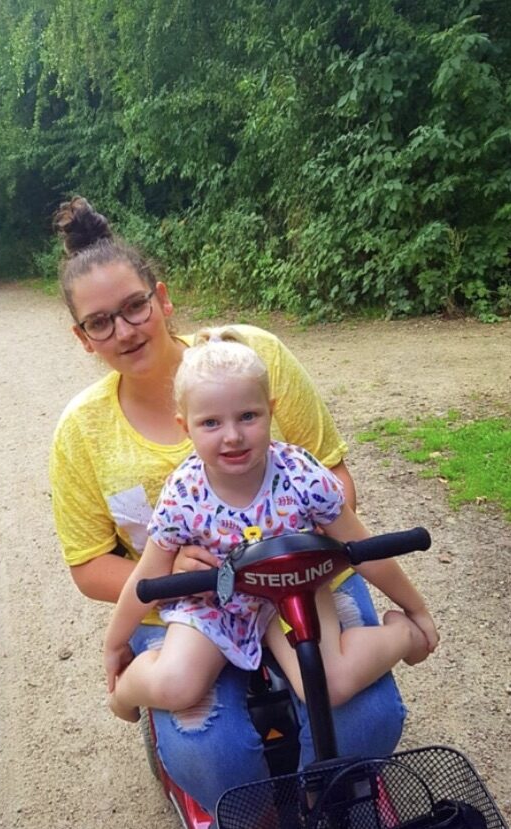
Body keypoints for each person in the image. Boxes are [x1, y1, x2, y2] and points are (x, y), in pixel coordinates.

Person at [48, 195, 433, 817]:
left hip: (298, 579)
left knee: (359, 719)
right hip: (196, 603)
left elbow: (339, 497)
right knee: (218, 756)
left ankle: (330, 789)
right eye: (100, 322)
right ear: (82, 337)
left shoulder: (254, 362)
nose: (124, 330)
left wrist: (309, 561)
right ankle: (237, 796)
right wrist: (155, 599)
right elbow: (97, 567)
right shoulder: (94, 440)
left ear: (162, 299)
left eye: (135, 307)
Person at [103, 331, 437, 724]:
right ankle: (124, 694)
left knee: (325, 686)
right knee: (177, 684)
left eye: (248, 416)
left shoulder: (301, 476)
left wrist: (416, 609)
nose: (232, 436)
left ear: (271, 410)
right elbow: (147, 576)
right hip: (215, 600)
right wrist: (115, 642)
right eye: (210, 422)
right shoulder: (183, 493)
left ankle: (401, 634)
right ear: (185, 426)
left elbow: (363, 549)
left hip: (294, 589)